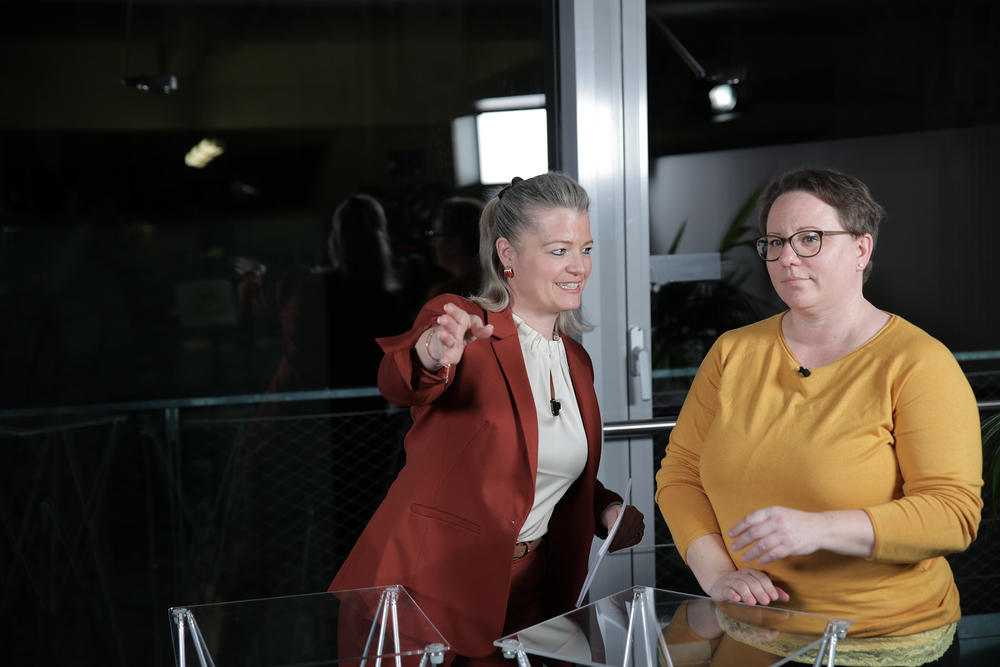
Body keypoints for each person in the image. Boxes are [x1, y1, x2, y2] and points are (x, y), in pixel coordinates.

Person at [655, 167, 982, 667]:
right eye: (775, 242)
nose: (787, 257)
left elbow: (952, 514)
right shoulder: (732, 352)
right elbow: (679, 474)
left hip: (878, 642)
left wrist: (821, 529)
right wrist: (718, 575)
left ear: (861, 249)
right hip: (751, 630)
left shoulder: (918, 362)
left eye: (810, 239)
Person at [330, 172, 645, 665]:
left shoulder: (576, 361)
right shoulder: (464, 323)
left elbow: (537, 467)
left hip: (529, 594)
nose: (579, 266)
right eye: (559, 250)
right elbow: (399, 379)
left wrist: (603, 508)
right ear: (507, 254)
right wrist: (434, 350)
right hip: (427, 591)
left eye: (585, 249)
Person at [422, 196, 485, 304]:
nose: (432, 244)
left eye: (435, 235)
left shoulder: (446, 296)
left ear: (455, 244)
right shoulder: (503, 283)